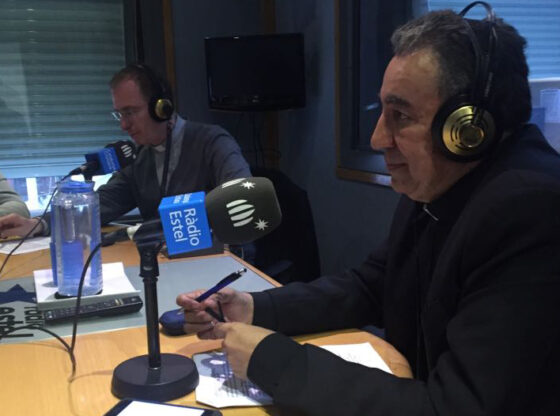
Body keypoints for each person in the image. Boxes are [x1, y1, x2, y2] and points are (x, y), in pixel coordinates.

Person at [176, 5, 560, 416]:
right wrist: (254, 307)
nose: (378, 138)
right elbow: (372, 286)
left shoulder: (529, 208)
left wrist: (273, 360)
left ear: (468, 131)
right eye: (381, 112)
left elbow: (456, 407)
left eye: (401, 116)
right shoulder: (441, 182)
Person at [0, 64, 251, 238]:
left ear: (161, 108)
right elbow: (102, 205)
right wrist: (39, 224)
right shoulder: (139, 157)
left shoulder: (212, 142)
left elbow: (243, 197)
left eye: (130, 112)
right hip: (165, 264)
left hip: (220, 261)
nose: (123, 125)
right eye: (119, 114)